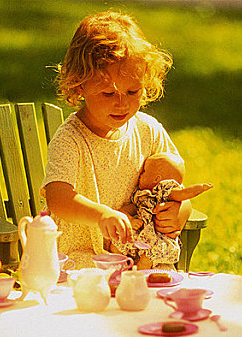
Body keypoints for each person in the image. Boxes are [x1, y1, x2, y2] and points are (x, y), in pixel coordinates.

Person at [40, 11, 192, 268]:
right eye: (108, 93)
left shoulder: (148, 130)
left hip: (139, 260)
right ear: (80, 86)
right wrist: (102, 216)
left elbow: (172, 187)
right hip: (81, 260)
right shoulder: (71, 139)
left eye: (132, 91)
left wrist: (181, 210)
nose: (122, 103)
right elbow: (59, 198)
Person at [111, 152, 212, 270]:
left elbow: (183, 194)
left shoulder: (164, 193)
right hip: (140, 232)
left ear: (156, 179)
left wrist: (200, 188)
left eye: (144, 171)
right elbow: (123, 210)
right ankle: (119, 267)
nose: (140, 174)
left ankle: (138, 273)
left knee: (147, 258)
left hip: (158, 237)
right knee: (116, 244)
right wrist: (130, 219)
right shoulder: (140, 196)